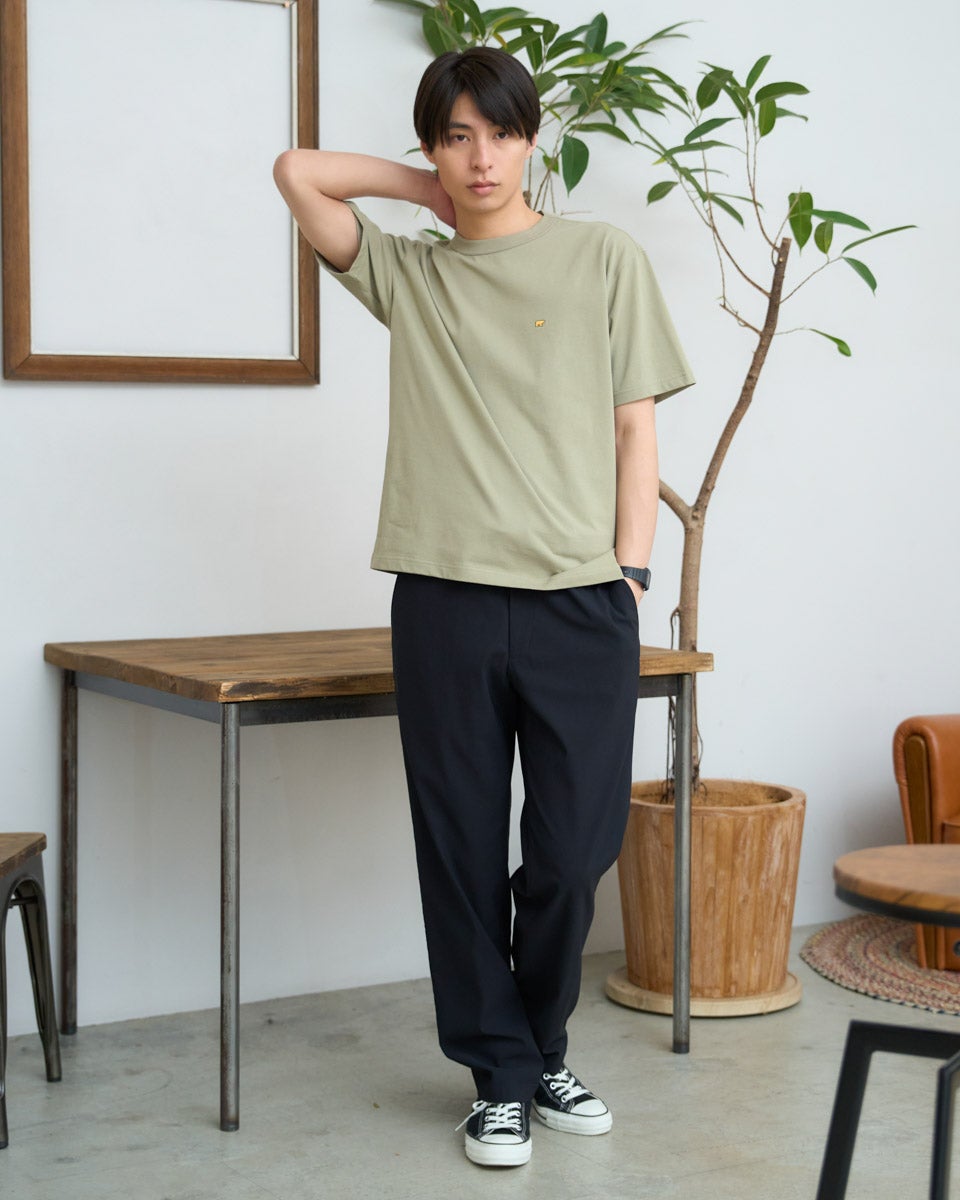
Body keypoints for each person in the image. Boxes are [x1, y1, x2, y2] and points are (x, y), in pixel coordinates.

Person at [273, 46, 694, 1169]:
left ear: (532, 138)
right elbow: (298, 172)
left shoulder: (602, 257)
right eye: (456, 137)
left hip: (581, 602)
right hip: (446, 599)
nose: (481, 158)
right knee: (459, 850)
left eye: (501, 134)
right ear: (431, 148)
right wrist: (426, 195)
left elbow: (636, 427)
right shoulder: (411, 276)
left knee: (573, 851)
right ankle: (502, 1079)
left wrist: (632, 572)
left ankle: (539, 1045)